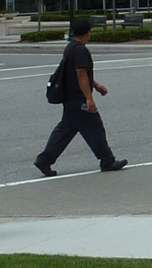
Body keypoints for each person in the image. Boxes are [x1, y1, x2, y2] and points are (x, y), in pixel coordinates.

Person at [35, 16, 128, 176]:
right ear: (87, 33)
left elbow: (77, 73)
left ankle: (44, 159)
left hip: (70, 98)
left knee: (65, 130)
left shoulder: (71, 47)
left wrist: (96, 85)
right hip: (79, 99)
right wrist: (89, 98)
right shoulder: (81, 51)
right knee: (95, 127)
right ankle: (107, 160)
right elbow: (81, 75)